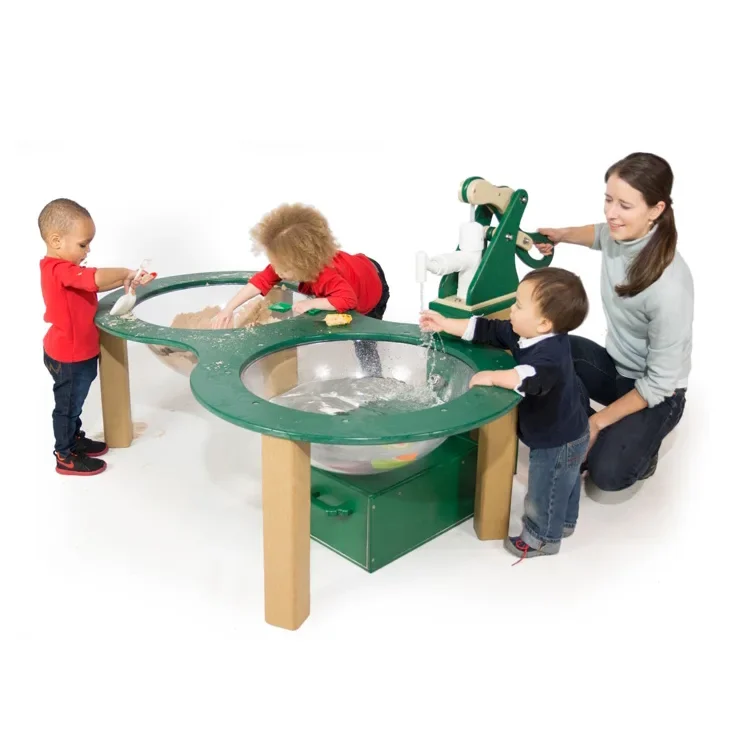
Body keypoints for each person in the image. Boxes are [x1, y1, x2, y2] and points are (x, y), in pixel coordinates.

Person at [536, 152, 693, 494]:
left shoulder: (670, 287)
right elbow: (598, 234)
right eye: (608, 199)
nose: (611, 213)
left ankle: (636, 449)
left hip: (659, 394)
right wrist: (560, 235)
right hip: (617, 369)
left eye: (624, 205)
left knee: (608, 474)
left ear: (656, 210)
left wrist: (598, 421)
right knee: (546, 351)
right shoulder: (619, 233)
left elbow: (659, 384)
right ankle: (582, 432)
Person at [420, 267, 590, 560]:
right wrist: (445, 323)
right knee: (565, 482)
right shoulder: (525, 333)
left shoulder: (550, 355)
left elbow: (528, 377)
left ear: (544, 323)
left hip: (557, 439)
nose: (512, 309)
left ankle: (541, 539)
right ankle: (563, 522)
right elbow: (487, 329)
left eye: (519, 306)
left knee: (545, 489)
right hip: (571, 430)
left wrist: (492, 377)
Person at [211, 202, 390, 376]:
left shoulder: (327, 275)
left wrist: (312, 303)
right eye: (275, 264)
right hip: (355, 268)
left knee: (364, 341)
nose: (277, 271)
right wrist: (228, 308)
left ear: (303, 263)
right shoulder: (285, 264)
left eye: (283, 268)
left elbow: (348, 300)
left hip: (372, 285)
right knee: (327, 302)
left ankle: (374, 377)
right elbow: (260, 281)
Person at [39, 198, 142, 476]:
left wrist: (125, 280)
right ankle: (64, 456)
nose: (88, 250)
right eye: (83, 244)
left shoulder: (67, 271)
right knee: (67, 407)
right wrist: (126, 272)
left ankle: (74, 439)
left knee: (75, 401)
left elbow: (91, 283)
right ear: (56, 241)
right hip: (68, 356)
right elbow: (93, 278)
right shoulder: (57, 269)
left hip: (77, 352)